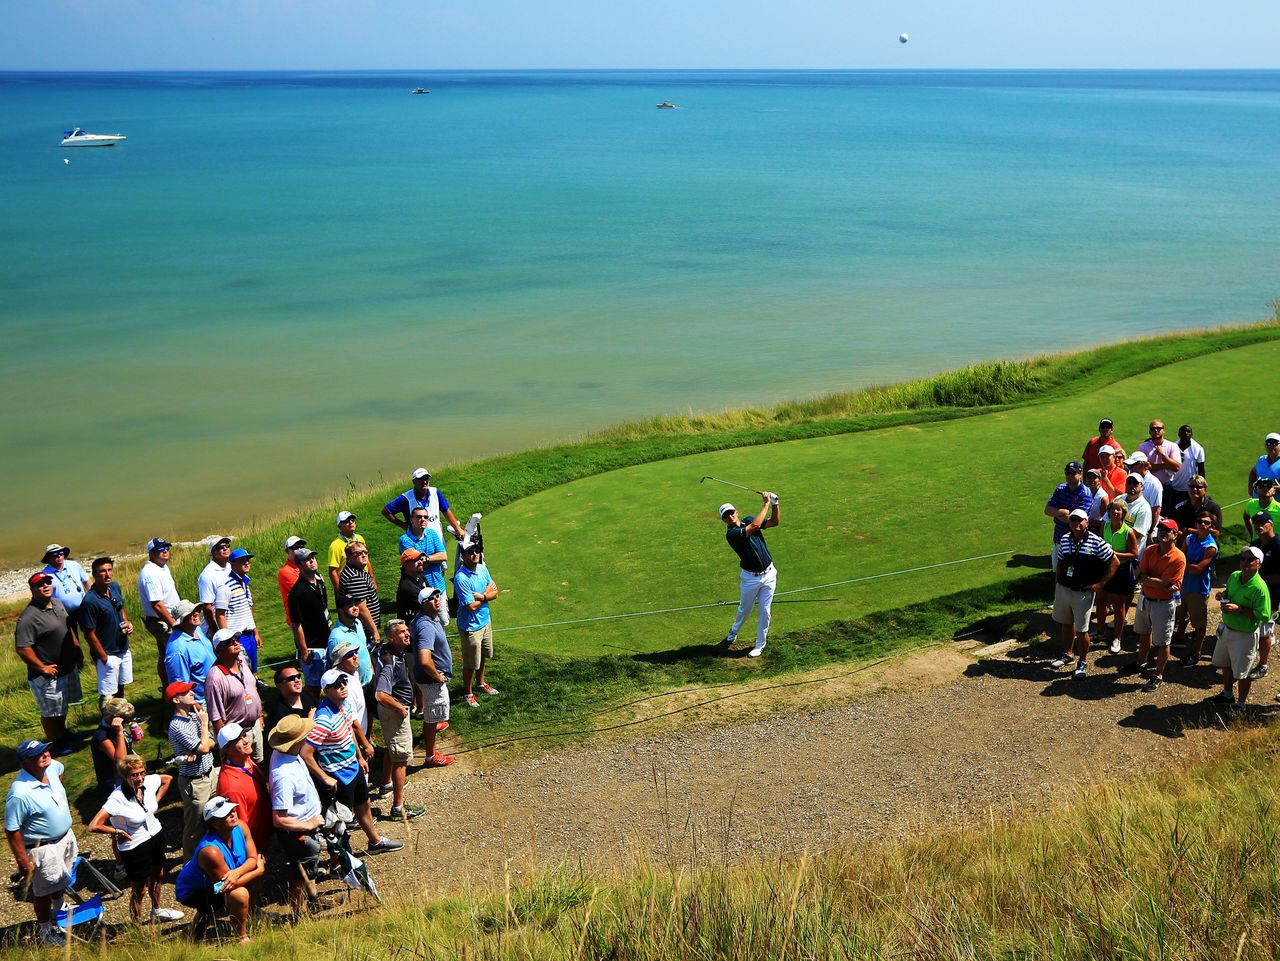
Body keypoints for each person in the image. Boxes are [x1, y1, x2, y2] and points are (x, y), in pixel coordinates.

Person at [301, 669, 403, 854]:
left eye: (343, 683)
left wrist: (359, 756)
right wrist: (325, 778)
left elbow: (349, 731)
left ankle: (375, 842)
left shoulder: (345, 704)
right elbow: (306, 753)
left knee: (364, 804)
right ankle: (339, 863)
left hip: (352, 768)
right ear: (327, 690)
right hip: (337, 776)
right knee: (337, 823)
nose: (342, 687)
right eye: (336, 685)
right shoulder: (324, 719)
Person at [87, 755, 183, 923]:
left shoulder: (148, 782)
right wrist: (116, 831)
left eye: (141, 773)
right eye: (134, 775)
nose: (139, 778)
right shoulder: (117, 798)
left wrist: (154, 803)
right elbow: (94, 825)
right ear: (125, 777)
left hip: (155, 835)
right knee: (140, 889)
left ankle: (156, 911)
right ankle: (136, 926)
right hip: (135, 846)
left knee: (158, 875)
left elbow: (167, 779)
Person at [4, 740, 78, 946]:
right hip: (43, 849)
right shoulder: (20, 793)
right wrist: (22, 862)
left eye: (45, 750)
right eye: (38, 753)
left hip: (65, 839)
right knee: (43, 891)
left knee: (60, 879)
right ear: (25, 762)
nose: (46, 754)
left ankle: (59, 909)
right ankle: (46, 931)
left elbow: (61, 771)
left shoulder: (52, 768)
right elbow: (11, 829)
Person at [173, 797, 265, 944]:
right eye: (226, 813)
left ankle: (193, 940)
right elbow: (228, 885)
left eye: (233, 810)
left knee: (209, 910)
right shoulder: (210, 851)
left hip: (217, 881)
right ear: (214, 823)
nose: (233, 814)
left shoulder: (241, 827)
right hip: (194, 890)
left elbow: (253, 858)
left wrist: (237, 872)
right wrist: (257, 872)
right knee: (239, 895)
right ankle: (241, 938)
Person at [15, 571, 82, 751]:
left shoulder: (58, 603)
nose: (45, 586)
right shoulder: (28, 617)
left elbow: (68, 627)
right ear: (32, 589)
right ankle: (54, 744)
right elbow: (22, 648)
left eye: (47, 582)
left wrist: (76, 647)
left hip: (66, 668)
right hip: (47, 676)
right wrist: (42, 667)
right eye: (40, 584)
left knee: (61, 706)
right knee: (50, 712)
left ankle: (62, 734)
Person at [267, 715, 326, 919]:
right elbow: (279, 819)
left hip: (305, 826)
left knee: (309, 869)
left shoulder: (288, 754)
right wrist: (310, 823)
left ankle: (314, 900)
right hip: (299, 832)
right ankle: (297, 915)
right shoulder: (283, 775)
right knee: (300, 875)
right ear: (297, 741)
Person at [1052, 509, 1118, 678]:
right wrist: (1058, 581)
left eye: (1080, 520)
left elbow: (1114, 562)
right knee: (1066, 624)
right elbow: (1061, 561)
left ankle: (1082, 661)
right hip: (1065, 589)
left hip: (1083, 592)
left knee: (1082, 630)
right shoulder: (1065, 539)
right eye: (1073, 520)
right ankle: (1068, 654)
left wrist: (1101, 583)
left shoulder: (1096, 542)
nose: (1077, 523)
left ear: (1087, 522)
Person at [374, 620, 425, 820]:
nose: (407, 635)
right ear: (391, 637)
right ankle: (398, 808)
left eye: (407, 631)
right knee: (401, 759)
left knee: (391, 750)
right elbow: (381, 694)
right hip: (394, 713)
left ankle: (386, 784)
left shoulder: (388, 652)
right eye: (402, 632)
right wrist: (400, 709)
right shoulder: (390, 661)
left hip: (390, 713)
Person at [720, 492, 781, 658]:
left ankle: (760, 645)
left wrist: (775, 504)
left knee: (765, 611)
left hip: (769, 574)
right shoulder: (732, 534)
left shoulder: (748, 519)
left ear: (737, 512)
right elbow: (754, 527)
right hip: (750, 579)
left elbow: (774, 522)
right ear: (724, 520)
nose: (730, 516)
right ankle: (733, 631)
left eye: (731, 512)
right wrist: (766, 503)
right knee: (745, 609)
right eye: (726, 516)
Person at [1128, 519, 1186, 693]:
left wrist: (1148, 580)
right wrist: (1155, 581)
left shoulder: (1179, 558)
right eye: (1160, 528)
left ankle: (1158, 675)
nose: (1162, 532)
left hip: (1163, 604)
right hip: (1146, 599)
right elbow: (1144, 575)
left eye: (1167, 530)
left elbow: (1162, 583)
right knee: (1144, 633)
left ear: (1175, 535)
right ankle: (1141, 662)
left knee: (1162, 641)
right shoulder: (1151, 550)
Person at [1213, 546, 1271, 709]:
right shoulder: (1234, 576)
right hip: (1227, 629)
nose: (1245, 562)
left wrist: (1239, 610)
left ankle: (1241, 704)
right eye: (1243, 558)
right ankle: (1227, 694)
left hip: (1245, 635)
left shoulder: (1260, 587)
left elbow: (1264, 615)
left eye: (1250, 560)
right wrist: (1223, 595)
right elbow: (1229, 593)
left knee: (1243, 672)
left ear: (1258, 564)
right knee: (1225, 664)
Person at [166, 681, 217, 860]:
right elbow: (204, 748)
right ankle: (191, 866)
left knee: (214, 819)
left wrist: (204, 741)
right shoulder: (177, 726)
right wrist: (204, 726)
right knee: (195, 828)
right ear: (175, 700)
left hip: (210, 774)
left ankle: (211, 858)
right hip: (195, 782)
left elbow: (211, 741)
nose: (192, 693)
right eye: (185, 692)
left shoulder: (193, 717)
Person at [79, 556, 135, 708]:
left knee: (121, 686)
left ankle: (121, 719)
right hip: (107, 653)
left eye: (110, 570)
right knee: (107, 694)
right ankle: (107, 725)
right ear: (94, 575)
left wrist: (127, 623)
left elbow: (120, 608)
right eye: (102, 571)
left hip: (122, 648)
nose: (107, 574)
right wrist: (104, 658)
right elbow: (89, 634)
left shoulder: (114, 588)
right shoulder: (89, 602)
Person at [205, 629, 264, 762]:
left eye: (236, 639)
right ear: (219, 650)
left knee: (258, 765)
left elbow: (252, 689)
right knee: (241, 769)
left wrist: (259, 715)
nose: (236, 643)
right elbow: (216, 719)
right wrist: (228, 746)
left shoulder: (242, 661)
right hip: (236, 735)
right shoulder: (214, 678)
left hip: (255, 726)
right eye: (229, 642)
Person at [412, 588, 455, 768]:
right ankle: (430, 757)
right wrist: (438, 677)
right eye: (431, 598)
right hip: (431, 681)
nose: (437, 600)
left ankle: (433, 726)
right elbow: (424, 659)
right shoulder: (426, 626)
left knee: (433, 715)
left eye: (437, 596)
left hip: (429, 679)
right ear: (423, 603)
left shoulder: (430, 618)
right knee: (431, 717)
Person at [455, 540, 500, 703]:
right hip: (471, 627)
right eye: (470, 552)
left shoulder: (482, 568)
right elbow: (470, 607)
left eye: (477, 551)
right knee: (470, 663)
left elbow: (495, 592)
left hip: (485, 621)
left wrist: (482, 596)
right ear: (463, 556)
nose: (475, 554)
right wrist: (486, 595)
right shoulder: (461, 578)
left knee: (483, 656)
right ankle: (468, 692)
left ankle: (480, 683)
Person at [216, 723, 273, 853]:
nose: (246, 740)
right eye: (238, 740)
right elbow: (239, 826)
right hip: (255, 845)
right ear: (228, 750)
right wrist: (252, 855)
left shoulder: (245, 760)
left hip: (265, 834)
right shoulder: (231, 786)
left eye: (244, 735)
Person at [1093, 499, 1139, 656]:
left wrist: (1114, 554)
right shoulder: (1105, 526)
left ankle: (1117, 638)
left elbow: (1134, 554)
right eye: (1113, 509)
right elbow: (1100, 544)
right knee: (1100, 601)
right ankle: (1100, 631)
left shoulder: (1128, 532)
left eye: (1119, 510)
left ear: (1124, 513)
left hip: (1121, 571)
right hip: (1105, 569)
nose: (1115, 512)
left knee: (1119, 606)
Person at [381, 467, 467, 547]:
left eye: (426, 479)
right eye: (421, 479)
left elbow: (446, 511)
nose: (424, 482)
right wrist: (403, 526)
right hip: (417, 545)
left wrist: (457, 528)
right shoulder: (405, 499)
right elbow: (386, 511)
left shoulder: (435, 492)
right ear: (414, 482)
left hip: (438, 542)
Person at [1177, 511, 1219, 667]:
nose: (1202, 524)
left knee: (1199, 623)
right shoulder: (1190, 538)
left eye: (1206, 523)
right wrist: (1186, 564)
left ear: (1211, 527)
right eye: (1200, 521)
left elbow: (1197, 569)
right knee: (1181, 614)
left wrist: (1183, 565)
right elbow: (1180, 557)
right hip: (1184, 585)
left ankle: (1197, 651)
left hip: (1199, 589)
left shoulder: (1211, 547)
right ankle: (1179, 638)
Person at [286, 547, 330, 695]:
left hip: (327, 639)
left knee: (331, 681)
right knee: (314, 686)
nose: (312, 561)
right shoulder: (296, 593)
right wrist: (304, 651)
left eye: (313, 557)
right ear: (299, 565)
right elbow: (296, 624)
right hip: (312, 645)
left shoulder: (319, 581)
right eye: (307, 559)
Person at [139, 537, 180, 688]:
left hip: (169, 618)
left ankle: (168, 687)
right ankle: (174, 687)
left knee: (165, 654)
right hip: (162, 621)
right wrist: (173, 624)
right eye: (160, 549)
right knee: (177, 653)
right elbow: (157, 605)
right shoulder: (150, 574)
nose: (165, 551)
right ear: (151, 553)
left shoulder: (162, 567)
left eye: (167, 548)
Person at [165, 599, 216, 706]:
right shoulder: (177, 650)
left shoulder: (196, 630)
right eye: (191, 612)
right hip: (205, 704)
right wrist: (200, 710)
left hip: (216, 694)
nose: (196, 613)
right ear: (181, 620)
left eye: (196, 610)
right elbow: (180, 689)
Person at [1249, 513, 1280, 682]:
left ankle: (1263, 665)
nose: (1258, 525)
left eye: (1262, 522)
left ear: (1271, 524)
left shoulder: (1278, 545)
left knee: (1265, 632)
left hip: (1271, 596)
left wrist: (1258, 580)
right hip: (1252, 594)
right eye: (1255, 522)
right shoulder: (1254, 545)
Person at [224, 548, 262, 672]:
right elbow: (220, 614)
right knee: (242, 668)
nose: (246, 563)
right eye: (242, 561)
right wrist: (227, 639)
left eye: (248, 560)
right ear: (232, 564)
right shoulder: (226, 586)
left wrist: (255, 632)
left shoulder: (245, 583)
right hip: (237, 636)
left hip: (249, 633)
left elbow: (248, 609)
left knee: (252, 666)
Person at [328, 594, 376, 692]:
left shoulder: (358, 623)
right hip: (355, 688)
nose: (355, 608)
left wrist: (372, 669)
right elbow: (336, 667)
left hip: (370, 680)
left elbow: (364, 649)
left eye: (355, 604)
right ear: (341, 611)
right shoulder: (337, 637)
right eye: (350, 606)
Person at [41, 545, 89, 640]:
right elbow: (45, 597)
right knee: (72, 640)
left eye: (61, 554)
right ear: (48, 558)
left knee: (91, 633)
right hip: (63, 614)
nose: (59, 557)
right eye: (55, 555)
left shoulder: (74, 565)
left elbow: (87, 582)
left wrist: (94, 599)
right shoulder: (45, 574)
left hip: (83, 607)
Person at [399, 507, 450, 596]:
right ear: (411, 520)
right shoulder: (405, 540)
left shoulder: (432, 533)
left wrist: (426, 559)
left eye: (425, 517)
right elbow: (415, 567)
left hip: (439, 586)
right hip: (421, 590)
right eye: (419, 517)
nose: (423, 519)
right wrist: (435, 560)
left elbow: (443, 556)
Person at [1044, 462, 1093, 555]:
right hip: (1059, 538)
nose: (1070, 476)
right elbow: (1047, 510)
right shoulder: (1060, 489)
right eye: (1067, 473)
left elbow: (1078, 522)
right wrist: (1065, 511)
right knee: (1058, 569)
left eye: (1073, 473)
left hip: (1077, 541)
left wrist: (1057, 515)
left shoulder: (1085, 493)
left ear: (1080, 474)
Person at [339, 541, 382, 639]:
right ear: (349, 557)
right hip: (363, 629)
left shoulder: (358, 570)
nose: (363, 555)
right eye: (358, 553)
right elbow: (361, 609)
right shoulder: (354, 577)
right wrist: (374, 631)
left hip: (366, 627)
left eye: (365, 552)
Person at [1136, 420, 1182, 513]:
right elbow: (1143, 468)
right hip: (1148, 487)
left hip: (1166, 487)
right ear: (1150, 431)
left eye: (1159, 428)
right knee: (1146, 512)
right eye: (1153, 429)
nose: (1156, 430)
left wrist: (1163, 455)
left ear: (1163, 431)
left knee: (1165, 515)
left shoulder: (1172, 446)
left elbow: (1177, 467)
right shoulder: (1143, 447)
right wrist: (1165, 465)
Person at [196, 536, 233, 639]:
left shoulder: (230, 567)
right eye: (220, 547)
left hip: (230, 621)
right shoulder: (207, 575)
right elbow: (207, 608)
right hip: (214, 627)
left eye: (227, 546)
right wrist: (216, 632)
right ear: (213, 553)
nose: (225, 548)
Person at [328, 511, 373, 594]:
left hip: (364, 579)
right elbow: (332, 571)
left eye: (352, 519)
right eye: (346, 521)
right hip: (348, 585)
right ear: (339, 526)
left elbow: (366, 560)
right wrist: (341, 592)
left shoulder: (360, 538)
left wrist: (372, 579)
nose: (351, 522)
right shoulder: (335, 545)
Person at [330, 642, 369, 732]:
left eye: (356, 652)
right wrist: (365, 744)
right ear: (339, 662)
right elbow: (352, 723)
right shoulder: (342, 684)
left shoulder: (353, 672)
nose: (355, 656)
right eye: (350, 655)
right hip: (353, 737)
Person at [1166, 425, 1206, 511]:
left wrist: (1202, 488)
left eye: (1188, 432)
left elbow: (1201, 470)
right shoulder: (1173, 447)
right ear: (1179, 434)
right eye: (1183, 432)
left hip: (1189, 488)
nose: (1186, 434)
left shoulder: (1198, 449)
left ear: (1192, 434)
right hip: (1173, 486)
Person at [266, 665, 316, 732]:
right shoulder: (279, 714)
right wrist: (310, 720)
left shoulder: (307, 696)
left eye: (298, 676)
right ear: (280, 685)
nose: (297, 680)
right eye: (291, 678)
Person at [1124, 452, 1163, 527]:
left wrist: (1150, 532)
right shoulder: (1130, 479)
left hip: (1146, 527)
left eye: (1131, 466)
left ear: (1142, 465)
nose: (1129, 468)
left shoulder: (1154, 483)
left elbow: (1156, 511)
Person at [277, 535, 307, 627]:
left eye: (301, 547)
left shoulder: (304, 566)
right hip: (299, 621)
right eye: (295, 548)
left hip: (309, 615)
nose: (299, 550)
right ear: (287, 551)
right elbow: (304, 592)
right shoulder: (285, 571)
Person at [1122, 473, 1153, 554]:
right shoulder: (1119, 499)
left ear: (1142, 486)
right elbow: (1105, 522)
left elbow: (1137, 534)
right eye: (1129, 482)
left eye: (1135, 483)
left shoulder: (1144, 508)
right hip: (1113, 550)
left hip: (1131, 555)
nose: (1132, 485)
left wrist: (1115, 535)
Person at [396, 549, 427, 622]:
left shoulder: (420, 577)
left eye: (420, 559)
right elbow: (428, 607)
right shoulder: (407, 587)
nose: (420, 562)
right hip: (414, 626)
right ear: (406, 565)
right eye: (415, 560)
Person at [1083, 468, 1110, 534]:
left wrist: (1089, 521)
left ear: (1099, 480)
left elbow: (1106, 521)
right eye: (1089, 478)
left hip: (1096, 531)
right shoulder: (1084, 492)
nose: (1091, 480)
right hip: (1084, 528)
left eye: (1094, 478)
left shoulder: (1103, 498)